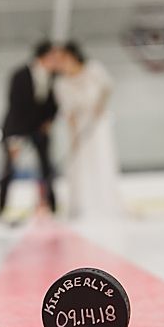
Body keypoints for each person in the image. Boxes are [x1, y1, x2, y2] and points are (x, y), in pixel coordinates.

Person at [53, 41, 124, 220]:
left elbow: (107, 87)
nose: (60, 62)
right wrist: (74, 136)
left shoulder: (93, 69)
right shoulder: (61, 83)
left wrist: (101, 105)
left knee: (102, 158)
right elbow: (68, 112)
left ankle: (106, 202)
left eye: (63, 58)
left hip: (98, 123)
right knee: (79, 164)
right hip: (79, 126)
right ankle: (80, 205)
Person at [0, 40, 59, 221]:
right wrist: (15, 138)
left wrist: (49, 121)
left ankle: (53, 207)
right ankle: (0, 210)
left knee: (47, 168)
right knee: (8, 171)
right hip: (16, 128)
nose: (56, 60)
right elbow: (15, 106)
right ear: (43, 56)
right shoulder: (19, 75)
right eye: (53, 56)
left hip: (40, 130)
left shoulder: (55, 77)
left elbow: (54, 105)